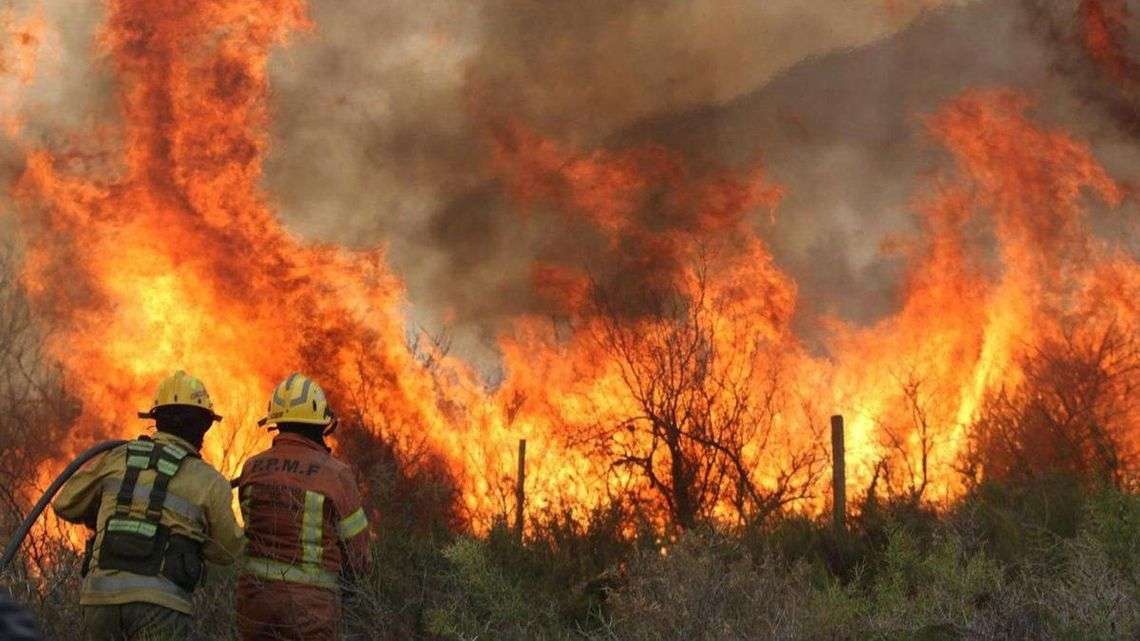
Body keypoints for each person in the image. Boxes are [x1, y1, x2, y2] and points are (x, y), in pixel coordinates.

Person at [53, 370, 244, 641]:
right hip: (160, 604)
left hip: (100, 598)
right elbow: (227, 551)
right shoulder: (210, 482)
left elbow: (65, 503)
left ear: (156, 420)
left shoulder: (118, 457)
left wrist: (106, 512)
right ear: (203, 427)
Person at [236, 373, 371, 641]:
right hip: (311, 612)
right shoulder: (336, 474)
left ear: (276, 423)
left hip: (254, 604)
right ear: (322, 425)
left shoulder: (252, 467)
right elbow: (359, 555)